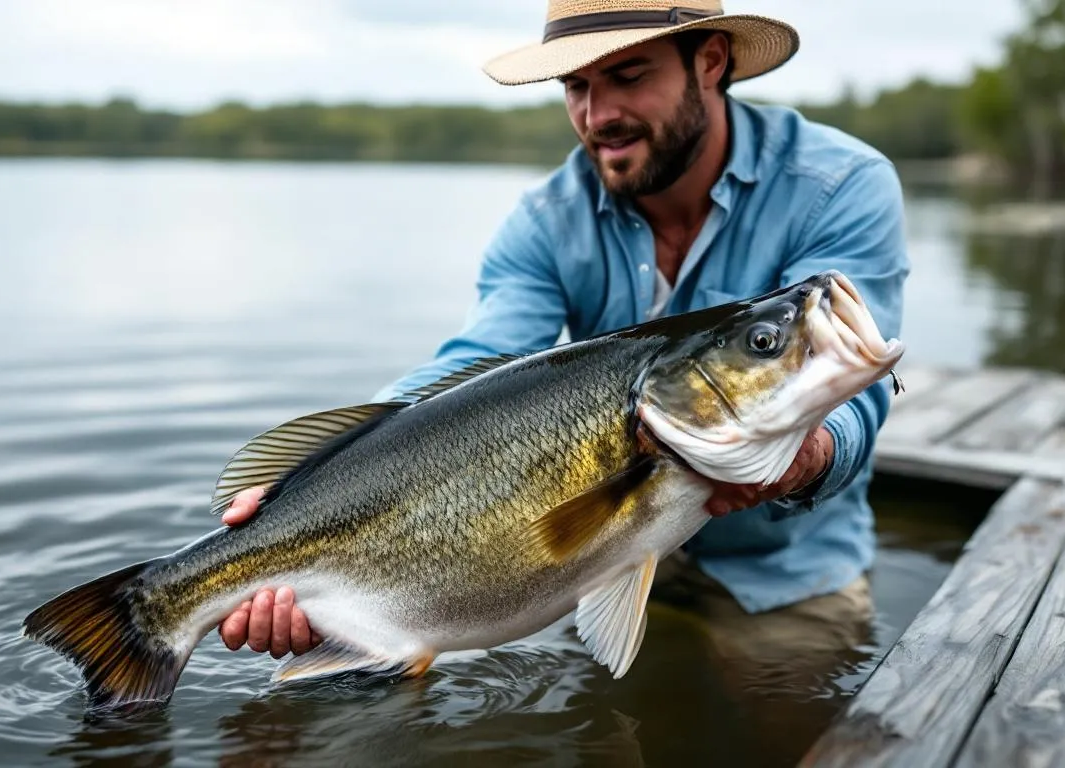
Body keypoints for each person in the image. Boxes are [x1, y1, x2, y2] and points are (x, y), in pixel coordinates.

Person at [214, 0, 909, 672]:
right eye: (576, 86)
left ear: (710, 60)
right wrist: (306, 487)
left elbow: (850, 393)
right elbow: (475, 366)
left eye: (629, 76)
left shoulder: (841, 186)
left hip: (782, 575)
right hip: (591, 572)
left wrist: (807, 455)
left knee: (800, 729)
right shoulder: (544, 220)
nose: (598, 115)